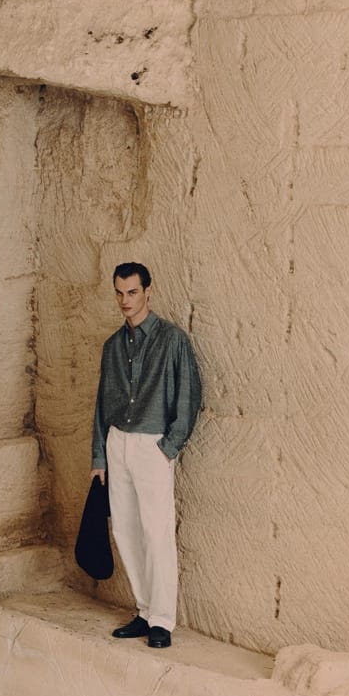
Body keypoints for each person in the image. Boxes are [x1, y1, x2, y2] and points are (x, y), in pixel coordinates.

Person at [91, 262, 202, 649]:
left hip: (152, 445)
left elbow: (189, 396)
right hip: (117, 443)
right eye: (120, 293)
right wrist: (99, 457)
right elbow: (101, 406)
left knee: (156, 532)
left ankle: (162, 620)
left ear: (148, 291)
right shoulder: (112, 347)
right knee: (124, 530)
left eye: (133, 292)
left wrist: (168, 447)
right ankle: (144, 610)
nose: (125, 300)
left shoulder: (172, 340)